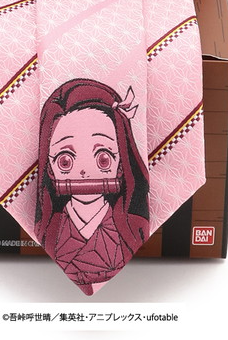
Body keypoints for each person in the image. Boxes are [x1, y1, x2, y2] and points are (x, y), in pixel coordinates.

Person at [35, 78, 149, 295]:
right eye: (65, 161)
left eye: (103, 158)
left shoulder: (136, 227)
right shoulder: (49, 229)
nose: (84, 172)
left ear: (121, 161)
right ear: (49, 167)